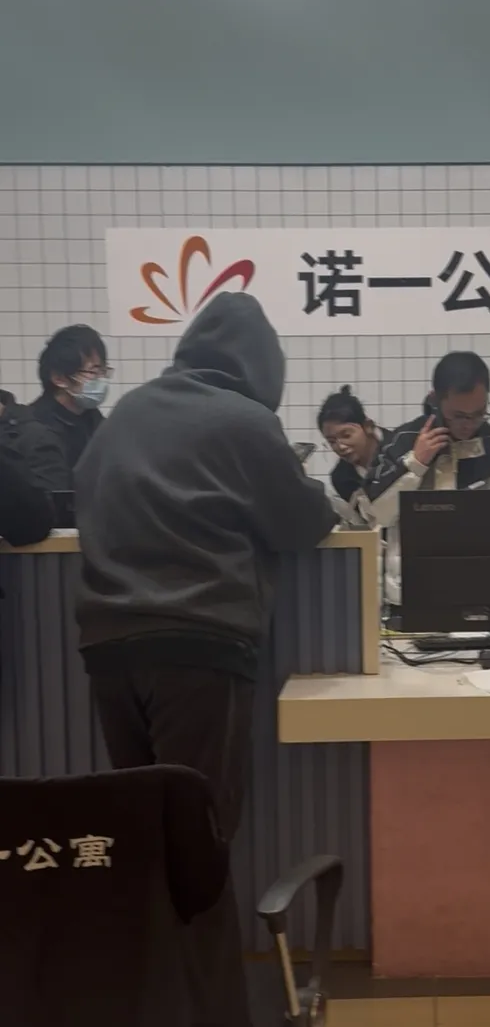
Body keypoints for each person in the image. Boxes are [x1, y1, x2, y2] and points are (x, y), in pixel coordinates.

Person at [75, 292, 337, 840]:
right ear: (265, 368)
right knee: (198, 836)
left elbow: (83, 493)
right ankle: (198, 902)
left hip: (107, 646)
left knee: (142, 833)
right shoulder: (246, 420)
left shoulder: (127, 411)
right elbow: (303, 522)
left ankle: (148, 902)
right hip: (198, 645)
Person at [362, 350, 490, 606]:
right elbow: (378, 513)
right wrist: (416, 463)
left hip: (480, 589)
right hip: (412, 592)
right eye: (459, 416)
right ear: (435, 400)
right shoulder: (403, 441)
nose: (469, 424)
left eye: (479, 413)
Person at [30, 324, 111, 483]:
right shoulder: (34, 431)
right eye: (93, 371)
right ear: (59, 378)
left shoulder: (97, 423)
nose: (101, 379)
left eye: (103, 371)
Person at [317, 385, 384, 520]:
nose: (340, 446)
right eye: (332, 441)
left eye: (346, 435)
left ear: (368, 426)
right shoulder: (341, 478)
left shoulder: (398, 446)